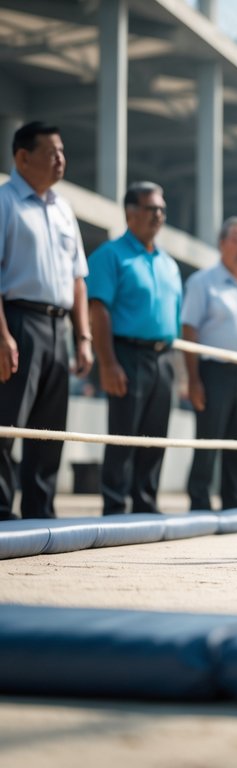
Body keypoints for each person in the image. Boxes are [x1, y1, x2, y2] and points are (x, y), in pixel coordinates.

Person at [0, 121, 93, 520]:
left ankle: (41, 514)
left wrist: (83, 337)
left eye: (62, 151)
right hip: (18, 322)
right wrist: (2, 336)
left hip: (60, 329)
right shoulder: (4, 203)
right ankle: (2, 513)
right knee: (7, 427)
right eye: (51, 152)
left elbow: (78, 279)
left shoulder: (63, 209)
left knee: (50, 431)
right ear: (23, 157)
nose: (60, 159)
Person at [86, 181, 182, 516]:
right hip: (126, 354)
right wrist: (108, 364)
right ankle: (115, 506)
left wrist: (178, 372)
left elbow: (174, 322)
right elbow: (98, 311)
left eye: (162, 209)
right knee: (124, 435)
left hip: (164, 358)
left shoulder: (169, 264)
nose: (158, 215)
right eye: (150, 208)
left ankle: (146, 504)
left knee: (156, 437)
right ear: (130, 213)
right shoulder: (110, 256)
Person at [181, 217, 237, 512]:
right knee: (208, 439)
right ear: (221, 243)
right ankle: (199, 500)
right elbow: (189, 331)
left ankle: (232, 500)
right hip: (213, 372)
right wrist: (192, 380)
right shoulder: (202, 282)